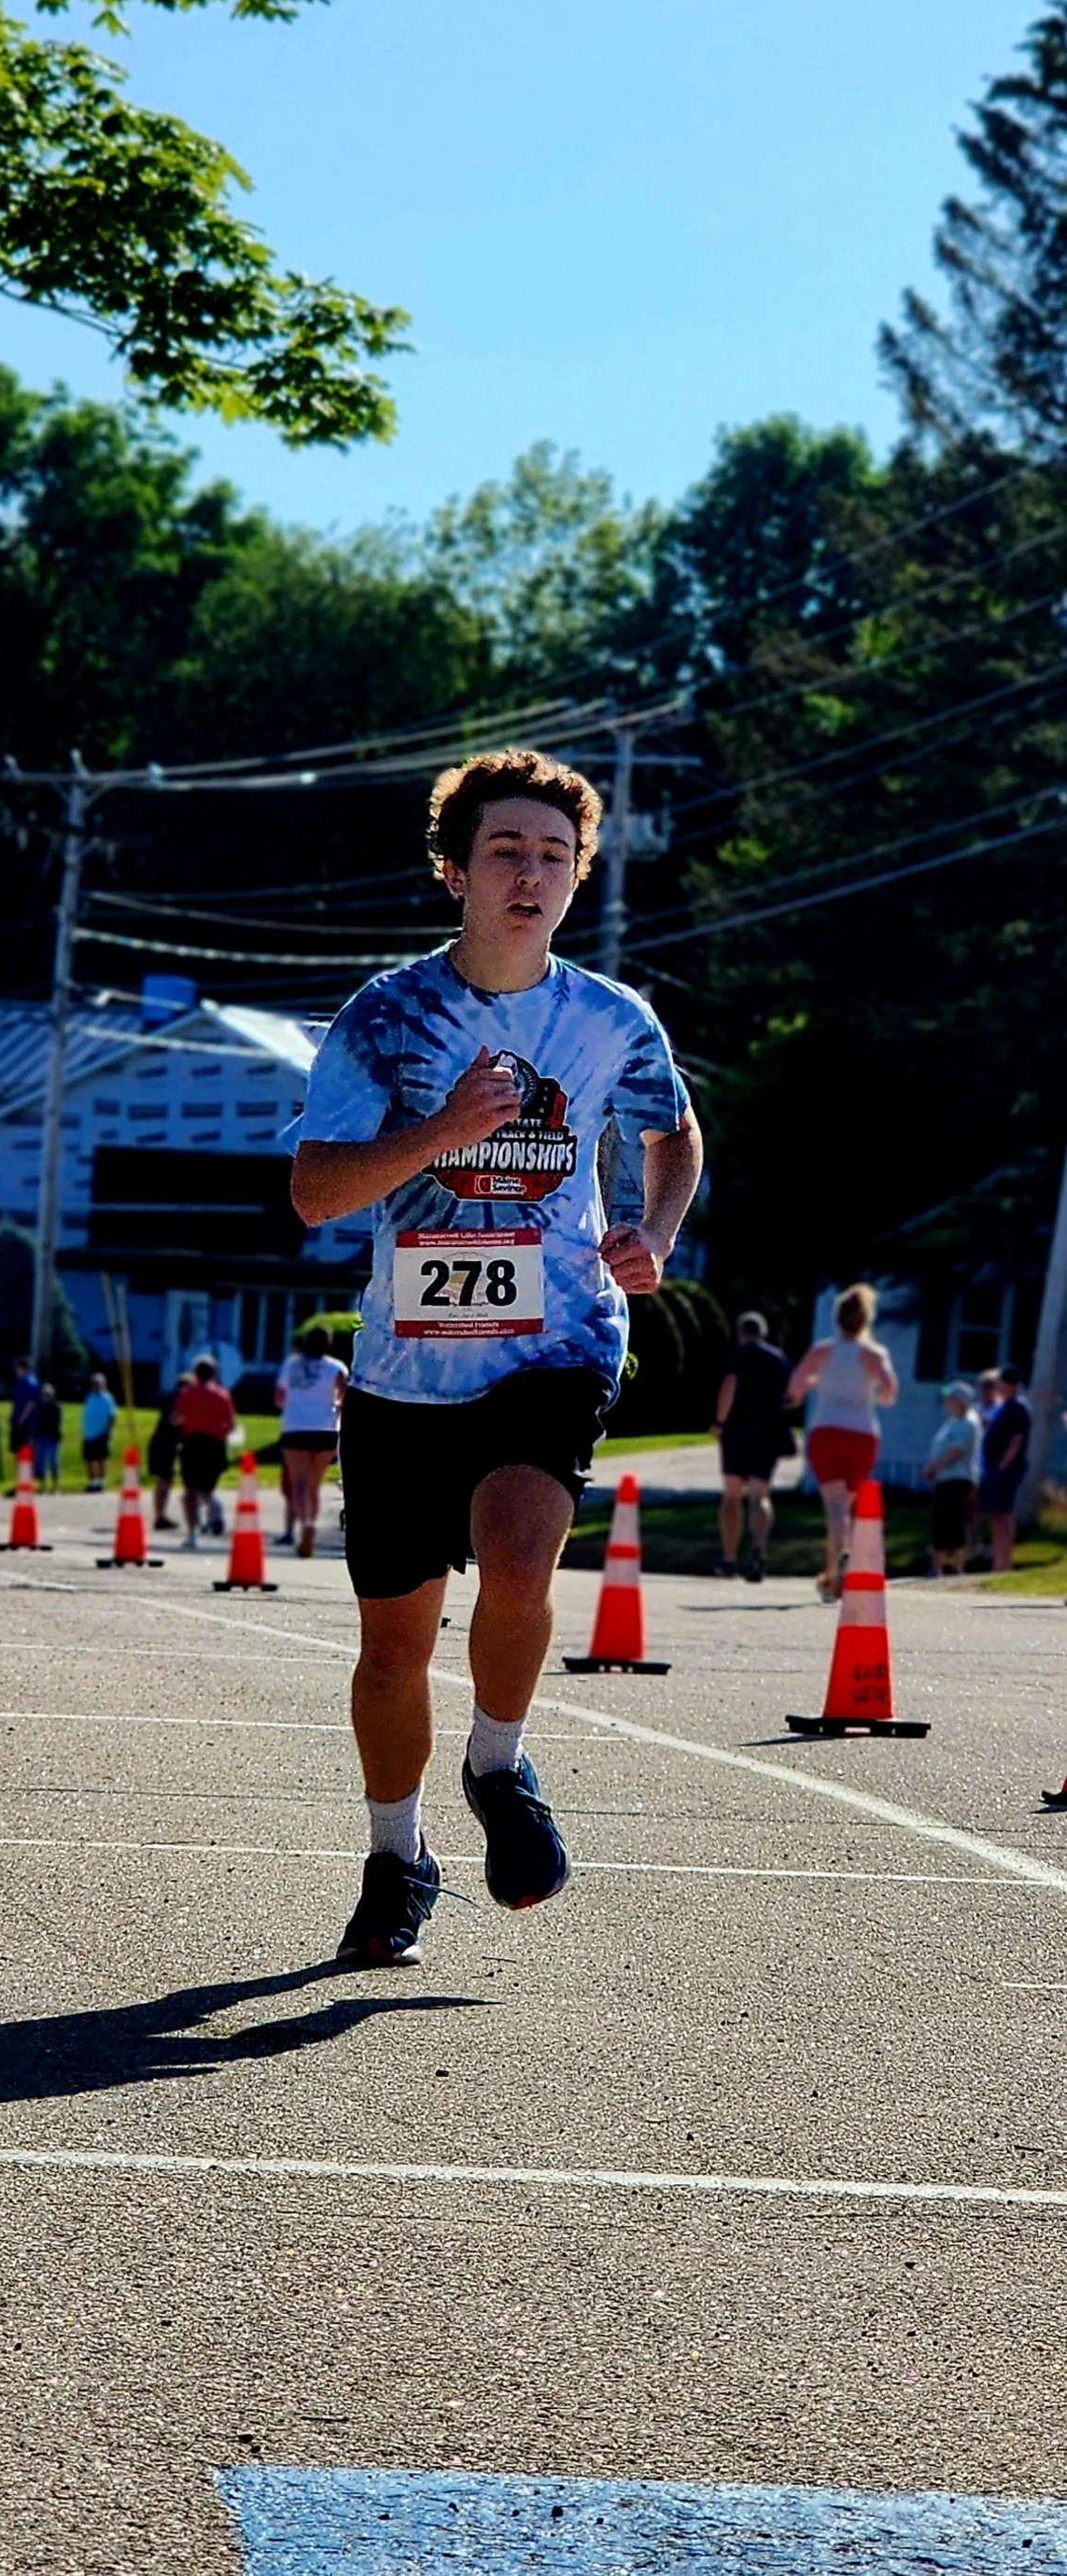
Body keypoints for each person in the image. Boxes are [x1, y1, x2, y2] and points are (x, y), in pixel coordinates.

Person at [291, 746, 702, 1967]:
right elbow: (315, 1193)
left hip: (557, 1334)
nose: (531, 873)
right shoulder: (383, 1019)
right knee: (390, 1646)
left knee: (521, 1548)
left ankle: (498, 1761)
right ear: (452, 871)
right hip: (406, 1365)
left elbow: (670, 1133)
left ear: (577, 878)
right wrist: (442, 1129)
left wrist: (652, 1229)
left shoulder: (608, 1020)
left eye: (554, 855)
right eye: (506, 851)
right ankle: (394, 1856)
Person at [787, 1282, 897, 1602]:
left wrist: (811, 1384)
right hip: (862, 1433)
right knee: (847, 1506)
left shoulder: (823, 1350)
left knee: (834, 1507)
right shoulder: (874, 1354)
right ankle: (841, 1567)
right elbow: (888, 1392)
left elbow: (795, 1389)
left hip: (827, 1430)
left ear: (838, 1318)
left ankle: (835, 1569)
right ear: (866, 1320)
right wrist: (876, 1391)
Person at [711, 1311, 793, 1582]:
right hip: (768, 1432)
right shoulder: (778, 1359)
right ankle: (759, 1549)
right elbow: (791, 1396)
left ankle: (729, 1558)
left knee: (732, 1495)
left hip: (737, 1431)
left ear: (741, 1332)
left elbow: (729, 1387)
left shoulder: (739, 1356)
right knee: (761, 1495)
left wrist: (720, 1422)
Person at [275, 1324, 348, 1559]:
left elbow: (279, 1397)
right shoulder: (336, 1367)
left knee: (298, 1484)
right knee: (313, 1486)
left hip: (296, 1426)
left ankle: (304, 1522)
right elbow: (345, 1397)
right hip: (325, 1428)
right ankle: (311, 1525)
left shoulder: (291, 1365)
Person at [173, 1355, 237, 1547]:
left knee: (190, 1490)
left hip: (193, 1443)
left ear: (195, 1373)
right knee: (207, 1486)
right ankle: (212, 1502)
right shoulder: (223, 1395)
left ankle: (192, 1533)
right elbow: (232, 1424)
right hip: (215, 1444)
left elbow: (176, 1418)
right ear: (214, 1373)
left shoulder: (187, 1393)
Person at [922, 1382, 982, 1576]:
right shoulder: (951, 1422)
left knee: (955, 1521)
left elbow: (956, 1451)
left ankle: (958, 1567)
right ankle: (937, 1566)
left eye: (952, 1399)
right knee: (940, 1521)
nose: (948, 1402)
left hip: (959, 1479)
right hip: (944, 1478)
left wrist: (935, 1466)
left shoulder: (967, 1422)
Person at [979, 1362, 1032, 1573]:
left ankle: (1004, 1562)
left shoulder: (1018, 1408)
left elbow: (1016, 1440)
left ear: (1012, 1384)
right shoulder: (1004, 1407)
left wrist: (1003, 1465)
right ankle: (997, 1560)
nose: (999, 1386)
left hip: (1006, 1469)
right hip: (993, 1467)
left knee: (1004, 1514)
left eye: (1003, 1382)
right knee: (996, 1514)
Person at [147, 1377, 189, 1531]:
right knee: (164, 1480)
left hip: (162, 1442)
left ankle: (161, 1515)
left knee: (165, 1480)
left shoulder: (172, 1397)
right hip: (165, 1444)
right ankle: (159, 1516)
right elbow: (175, 1420)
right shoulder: (178, 1399)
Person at [81, 1371, 118, 1491]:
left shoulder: (108, 1398)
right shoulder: (89, 1397)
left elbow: (112, 1416)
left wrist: (109, 1431)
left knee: (100, 1458)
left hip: (101, 1433)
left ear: (103, 1384)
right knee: (89, 1459)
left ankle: (100, 1482)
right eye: (94, 1383)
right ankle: (92, 1481)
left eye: (98, 1383)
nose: (96, 1386)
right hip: (88, 1433)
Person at [9, 1355, 40, 1463]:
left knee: (24, 1449)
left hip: (25, 1423)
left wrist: (21, 1420)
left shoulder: (30, 1382)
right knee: (16, 1449)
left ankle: (25, 1475)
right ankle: (20, 1475)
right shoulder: (20, 1382)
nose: (16, 1371)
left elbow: (31, 1403)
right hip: (17, 1420)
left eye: (18, 1368)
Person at [33, 1382, 62, 1490]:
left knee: (54, 1462)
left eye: (48, 1394)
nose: (46, 1396)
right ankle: (43, 1484)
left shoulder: (56, 1407)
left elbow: (57, 1423)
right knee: (41, 1462)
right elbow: (37, 1422)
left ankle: (55, 1485)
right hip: (41, 1437)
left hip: (53, 1437)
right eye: (44, 1394)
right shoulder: (40, 1407)